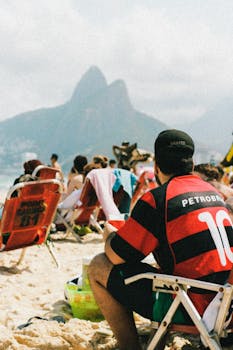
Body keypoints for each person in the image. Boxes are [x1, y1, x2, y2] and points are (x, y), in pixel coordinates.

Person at [88, 129, 233, 350]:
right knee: (162, 271)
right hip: (227, 303)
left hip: (196, 306)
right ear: (191, 166)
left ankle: (130, 347)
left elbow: (117, 257)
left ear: (156, 168)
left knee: (99, 266)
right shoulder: (214, 194)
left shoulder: (158, 199)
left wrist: (110, 235)